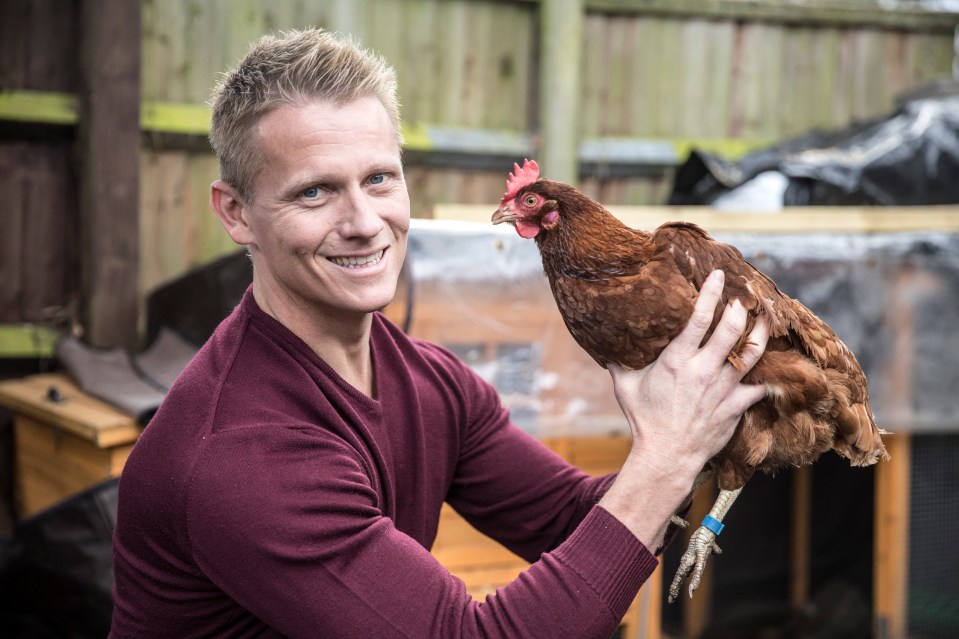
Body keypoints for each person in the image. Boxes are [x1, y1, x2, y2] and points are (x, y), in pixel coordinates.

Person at [110, 28, 768, 638]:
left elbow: (574, 518)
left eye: (378, 178)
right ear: (236, 213)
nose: (364, 221)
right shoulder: (241, 456)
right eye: (315, 192)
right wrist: (662, 460)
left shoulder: (427, 382)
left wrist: (717, 419)